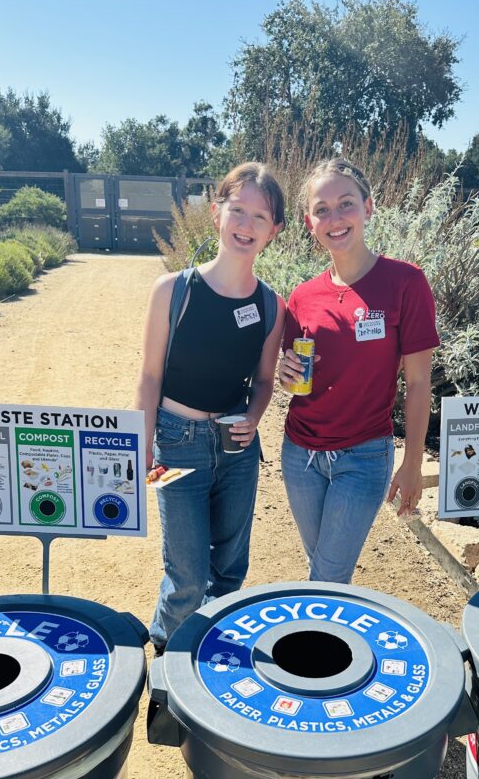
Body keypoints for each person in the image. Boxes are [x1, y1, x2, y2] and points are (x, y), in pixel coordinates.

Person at [136, 163, 286, 653]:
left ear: (274, 230)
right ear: (216, 213)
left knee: (228, 572)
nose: (246, 224)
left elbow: (263, 381)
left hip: (239, 451)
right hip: (174, 447)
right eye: (237, 210)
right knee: (185, 575)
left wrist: (255, 416)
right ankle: (167, 661)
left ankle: (209, 663)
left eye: (259, 216)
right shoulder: (172, 291)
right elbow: (150, 377)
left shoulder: (271, 305)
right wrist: (139, 446)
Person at [278, 157, 439, 584]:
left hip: (364, 456)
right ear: (309, 222)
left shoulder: (405, 283)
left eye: (346, 203)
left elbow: (419, 383)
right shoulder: (302, 298)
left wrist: (412, 464)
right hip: (299, 457)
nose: (335, 218)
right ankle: (332, 643)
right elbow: (296, 379)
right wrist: (287, 374)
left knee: (327, 576)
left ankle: (316, 647)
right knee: (327, 570)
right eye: (322, 209)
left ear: (368, 207)